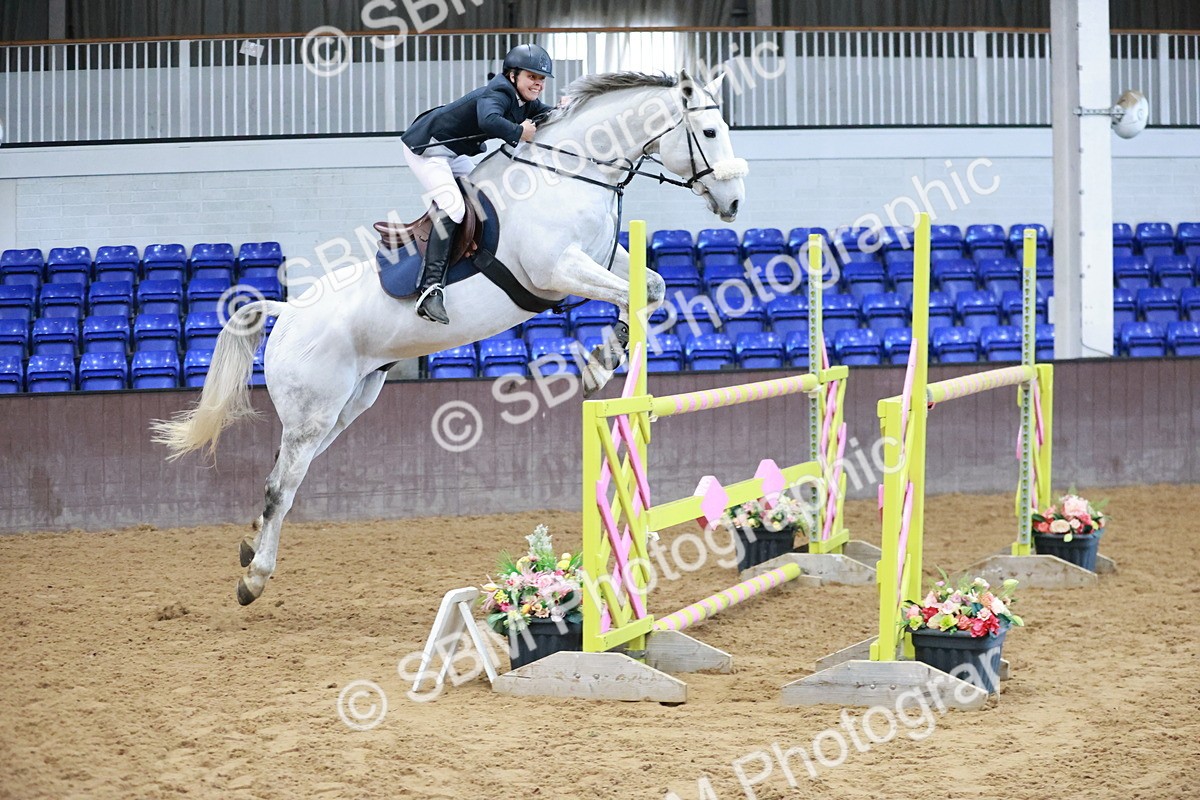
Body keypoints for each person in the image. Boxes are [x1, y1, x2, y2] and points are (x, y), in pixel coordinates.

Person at [400, 43, 555, 324]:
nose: (538, 83)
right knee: (454, 207)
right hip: (427, 149)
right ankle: (430, 290)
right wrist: (519, 131)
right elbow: (489, 120)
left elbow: (546, 114)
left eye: (541, 79)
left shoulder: (525, 101)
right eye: (532, 76)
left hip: (453, 153)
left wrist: (567, 110)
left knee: (485, 198)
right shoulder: (498, 91)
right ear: (512, 75)